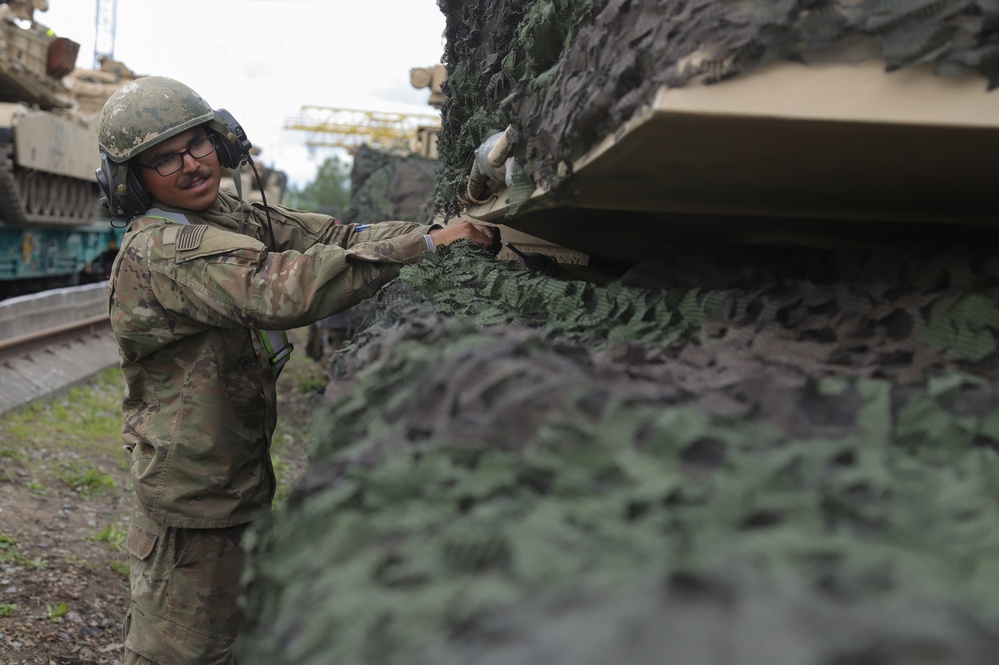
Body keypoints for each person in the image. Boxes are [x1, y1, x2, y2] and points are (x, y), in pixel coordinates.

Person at [95, 76, 497, 665]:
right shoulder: (163, 250)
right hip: (194, 502)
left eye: (198, 145)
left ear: (224, 143)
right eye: (164, 159)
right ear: (131, 181)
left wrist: (434, 232)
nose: (190, 165)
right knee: (182, 653)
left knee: (234, 638)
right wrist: (429, 248)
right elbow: (286, 290)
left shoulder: (224, 215)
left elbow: (333, 237)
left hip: (230, 482)